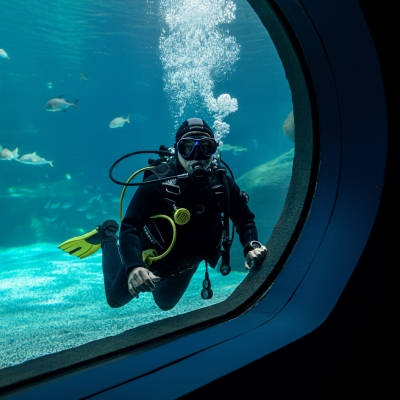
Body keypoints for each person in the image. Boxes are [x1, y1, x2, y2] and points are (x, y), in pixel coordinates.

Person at [59, 118, 267, 311]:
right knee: (115, 300)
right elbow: (131, 226)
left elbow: (244, 218)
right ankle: (107, 234)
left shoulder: (221, 183)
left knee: (165, 304)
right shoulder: (158, 182)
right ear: (177, 150)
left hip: (185, 262)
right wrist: (134, 267)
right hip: (150, 255)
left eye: (205, 148)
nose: (197, 157)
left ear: (214, 151)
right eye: (188, 148)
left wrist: (252, 245)